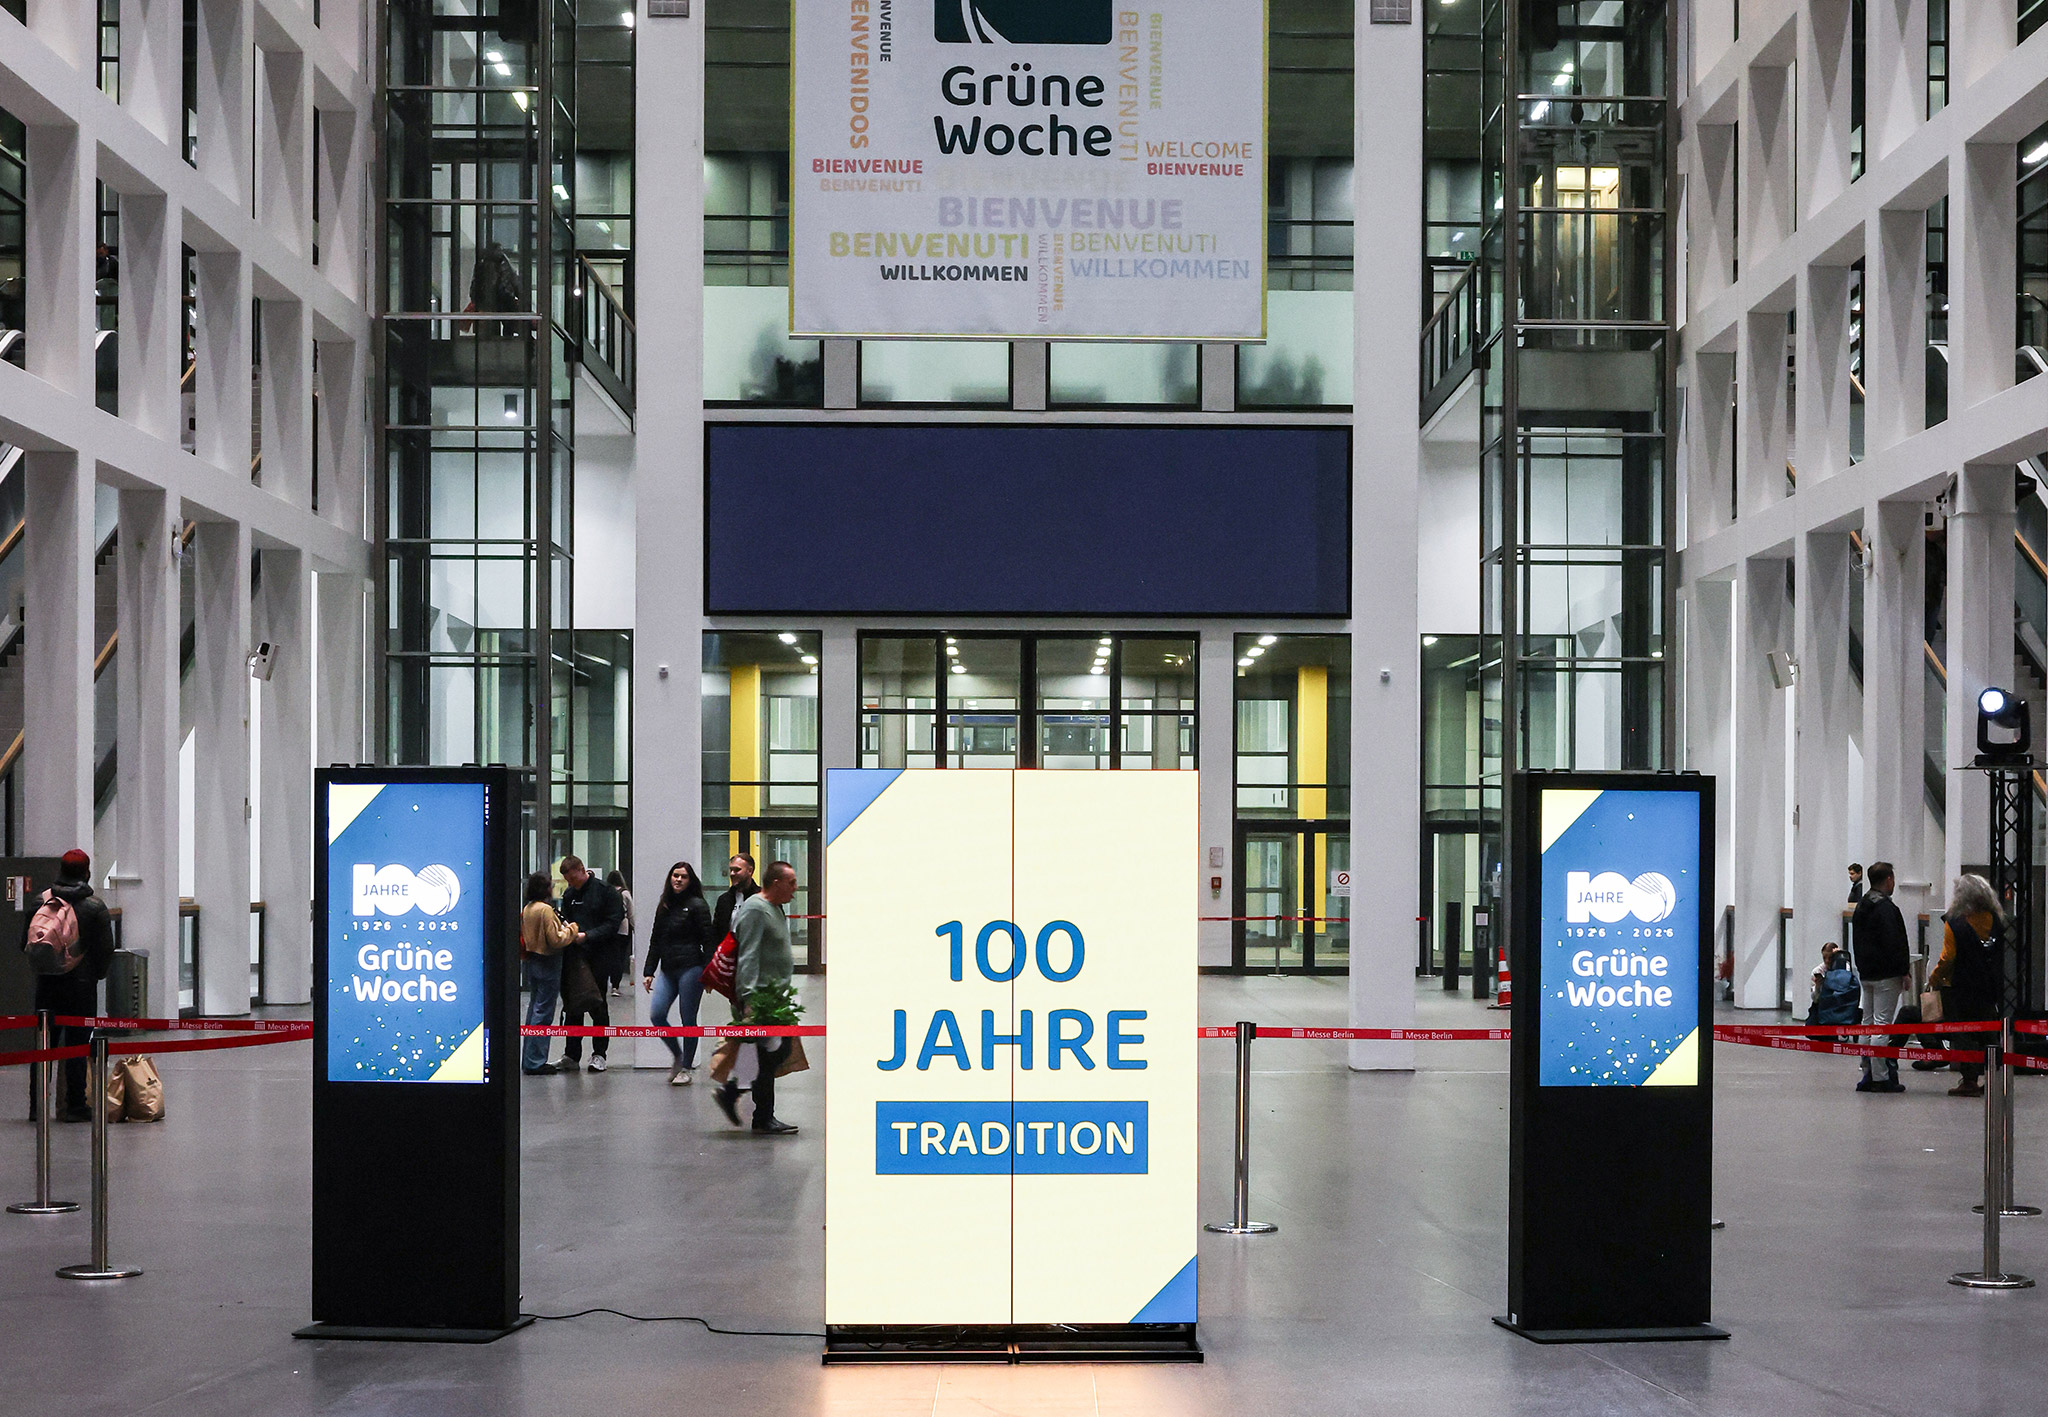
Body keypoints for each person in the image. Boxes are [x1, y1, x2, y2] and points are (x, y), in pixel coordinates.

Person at [19, 850, 116, 1121]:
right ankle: (74, 1105)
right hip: (81, 987)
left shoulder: (40, 901)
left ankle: (37, 1107)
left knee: (43, 1045)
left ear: (60, 870)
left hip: (47, 984)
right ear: (86, 872)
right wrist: (95, 975)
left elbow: (24, 943)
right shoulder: (95, 907)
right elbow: (105, 949)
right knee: (77, 1044)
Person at [714, 860, 799, 1135]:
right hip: (759, 997)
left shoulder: (775, 908)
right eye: (791, 883)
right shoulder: (755, 909)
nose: (795, 888)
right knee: (773, 1052)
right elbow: (748, 955)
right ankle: (761, 1115)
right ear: (776, 883)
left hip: (774, 996)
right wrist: (749, 998)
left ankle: (735, 1095)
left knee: (769, 1053)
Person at [1930, 873, 2005, 1098]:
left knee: (1963, 1033)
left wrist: (1934, 978)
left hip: (1961, 987)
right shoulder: (1995, 920)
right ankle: (1995, 1079)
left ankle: (1969, 1080)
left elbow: (1948, 957)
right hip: (1989, 987)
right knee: (1989, 1033)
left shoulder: (1954, 922)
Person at [643, 862, 713, 1085]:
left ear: (690, 881)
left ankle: (686, 1068)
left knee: (688, 1019)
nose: (679, 880)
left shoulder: (698, 905)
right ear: (670, 878)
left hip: (691, 968)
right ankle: (678, 1055)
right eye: (675, 875)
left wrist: (709, 972)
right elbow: (655, 940)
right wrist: (648, 971)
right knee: (657, 1015)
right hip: (668, 968)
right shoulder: (664, 905)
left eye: (683, 876)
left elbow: (708, 941)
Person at [557, 855, 626, 1073]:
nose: (570, 884)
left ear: (582, 869)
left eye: (572, 878)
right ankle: (571, 1055)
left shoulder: (606, 892)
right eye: (567, 881)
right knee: (573, 1007)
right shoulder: (569, 895)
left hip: (599, 957)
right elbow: (565, 920)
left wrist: (588, 936)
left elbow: (613, 923)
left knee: (598, 1005)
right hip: (575, 958)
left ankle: (599, 1055)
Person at [1849, 861, 1911, 1093]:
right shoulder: (1886, 908)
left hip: (1866, 973)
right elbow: (1895, 942)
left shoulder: (1862, 905)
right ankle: (1881, 1077)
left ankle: (1867, 1071)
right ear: (1888, 879)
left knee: (1867, 1023)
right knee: (1882, 1025)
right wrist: (1903, 970)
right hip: (1886, 974)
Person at [519, 872, 575, 1076]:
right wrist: (572, 930)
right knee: (543, 1013)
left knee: (534, 1010)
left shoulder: (528, 908)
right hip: (549, 961)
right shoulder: (545, 910)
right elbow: (556, 939)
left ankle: (529, 1058)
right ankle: (536, 1061)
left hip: (533, 961)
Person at [1807, 943, 1862, 1027]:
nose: (1827, 961)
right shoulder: (1817, 971)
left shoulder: (1844, 969)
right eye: (1824, 958)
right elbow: (1815, 999)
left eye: (1830, 957)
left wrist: (1840, 959)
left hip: (1841, 1004)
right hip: (1824, 1005)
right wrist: (1818, 987)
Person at [712, 852, 760, 946]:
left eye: (737, 870)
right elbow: (716, 932)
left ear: (750, 871)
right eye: (731, 870)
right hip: (728, 952)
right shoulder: (724, 900)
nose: (732, 874)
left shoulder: (761, 898)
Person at [605, 870, 635, 997]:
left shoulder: (606, 891)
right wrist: (634, 927)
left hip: (608, 929)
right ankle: (615, 986)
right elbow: (631, 912)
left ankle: (605, 982)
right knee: (620, 957)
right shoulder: (625, 893)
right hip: (623, 928)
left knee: (610, 956)